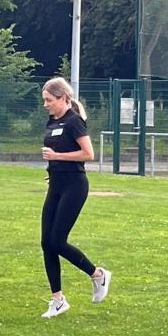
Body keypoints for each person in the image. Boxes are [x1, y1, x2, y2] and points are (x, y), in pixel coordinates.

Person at [38, 77, 111, 318]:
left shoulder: (74, 121)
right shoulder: (53, 121)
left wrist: (57, 157)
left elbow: (88, 154)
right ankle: (58, 300)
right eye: (44, 100)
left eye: (49, 100)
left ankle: (97, 274)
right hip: (56, 184)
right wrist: (52, 169)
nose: (46, 105)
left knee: (58, 241)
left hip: (75, 186)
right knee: (46, 242)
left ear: (63, 98)